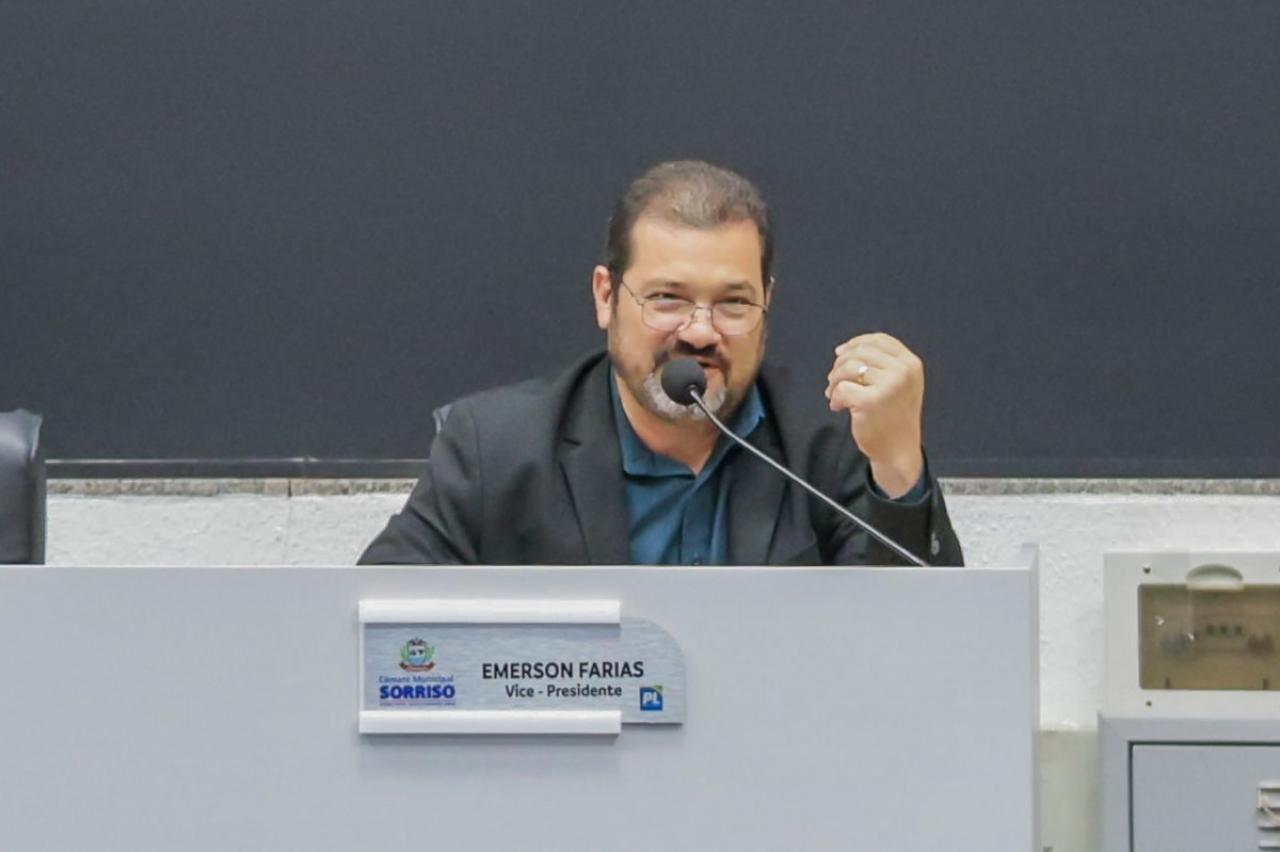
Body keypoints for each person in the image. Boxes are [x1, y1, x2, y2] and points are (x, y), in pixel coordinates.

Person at [360, 161, 963, 566]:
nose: (699, 332)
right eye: (668, 299)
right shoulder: (495, 450)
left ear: (767, 303)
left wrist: (897, 465)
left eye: (733, 303)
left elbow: (919, 650)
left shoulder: (830, 446)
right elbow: (380, 632)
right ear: (606, 297)